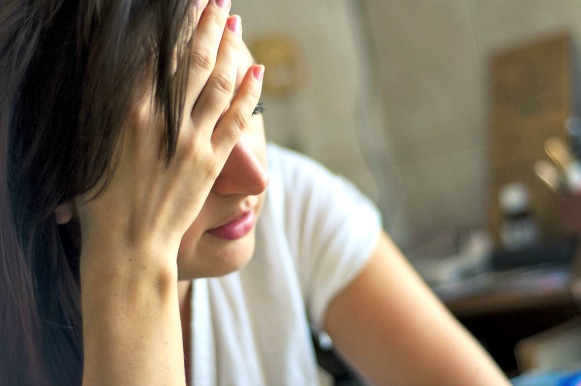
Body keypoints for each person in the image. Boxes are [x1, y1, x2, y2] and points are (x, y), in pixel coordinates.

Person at [0, 0, 511, 384]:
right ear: (58, 185)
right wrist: (132, 261)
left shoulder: (290, 198)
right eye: (183, 146)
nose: (255, 178)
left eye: (252, 110)